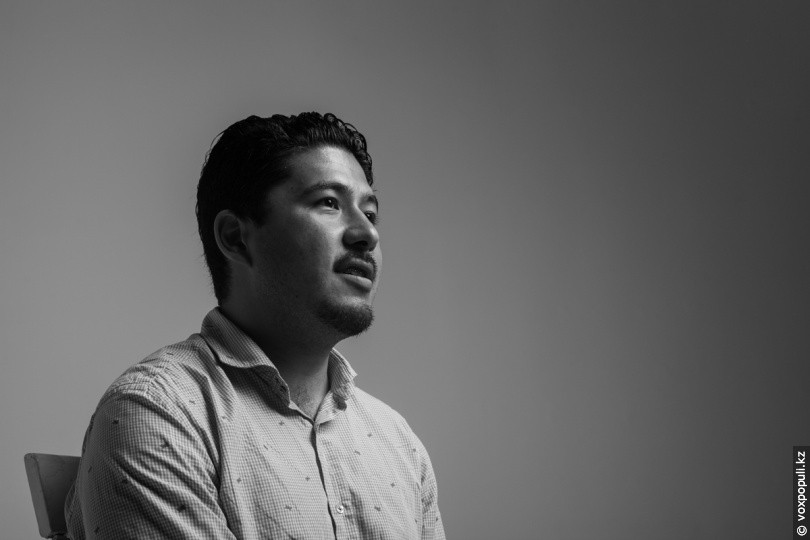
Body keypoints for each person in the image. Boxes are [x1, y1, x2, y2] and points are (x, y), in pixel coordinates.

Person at [65, 112, 445, 539]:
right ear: (235, 236)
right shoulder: (155, 412)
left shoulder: (399, 442)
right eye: (329, 203)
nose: (367, 234)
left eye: (371, 213)